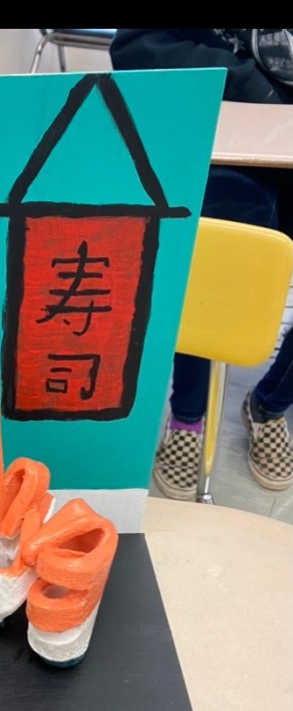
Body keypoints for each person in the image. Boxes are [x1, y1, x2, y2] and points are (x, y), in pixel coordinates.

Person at [110, 29, 293, 498]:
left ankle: (269, 405)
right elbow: (138, 45)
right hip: (232, 121)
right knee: (210, 271)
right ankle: (188, 414)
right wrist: (256, 89)